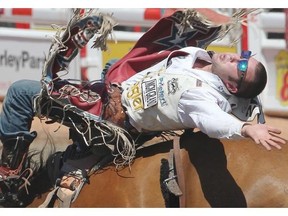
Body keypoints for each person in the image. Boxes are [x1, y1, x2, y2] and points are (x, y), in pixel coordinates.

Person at [0, 8, 286, 205]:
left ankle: (9, 184)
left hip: (110, 120)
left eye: (242, 66)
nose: (238, 58)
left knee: (21, 93)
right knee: (113, 65)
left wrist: (246, 128)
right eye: (245, 56)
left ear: (232, 87)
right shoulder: (201, 58)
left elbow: (213, 121)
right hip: (121, 88)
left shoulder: (199, 97)